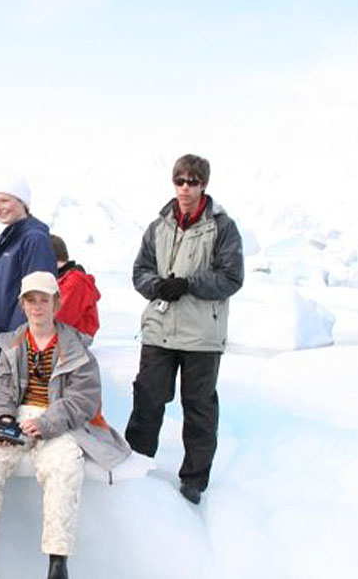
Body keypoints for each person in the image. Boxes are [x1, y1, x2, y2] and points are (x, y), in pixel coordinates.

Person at [0, 272, 130, 579]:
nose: (37, 307)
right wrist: (5, 418)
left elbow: (83, 398)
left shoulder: (76, 347)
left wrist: (47, 423)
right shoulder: (12, 343)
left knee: (64, 467)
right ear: (22, 305)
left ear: (56, 303)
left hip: (60, 421)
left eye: (44, 300)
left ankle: (57, 560)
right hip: (17, 416)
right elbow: (0, 388)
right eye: (31, 300)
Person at [124, 154, 244, 505]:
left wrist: (188, 284)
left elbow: (231, 277)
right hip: (160, 329)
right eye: (180, 180)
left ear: (204, 184)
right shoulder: (158, 226)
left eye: (193, 181)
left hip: (201, 336)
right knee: (147, 398)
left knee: (199, 408)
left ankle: (194, 480)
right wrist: (157, 286)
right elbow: (140, 271)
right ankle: (137, 464)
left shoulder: (222, 227)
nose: (185, 187)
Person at [0, 179, 57, 334]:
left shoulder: (34, 240)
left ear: (22, 202)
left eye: (4, 201)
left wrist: (16, 341)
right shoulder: (7, 241)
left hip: (16, 339)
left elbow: (37, 294)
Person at [50, 234, 102, 341]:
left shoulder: (75, 281)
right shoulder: (60, 278)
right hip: (62, 330)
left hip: (76, 334)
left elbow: (63, 316)